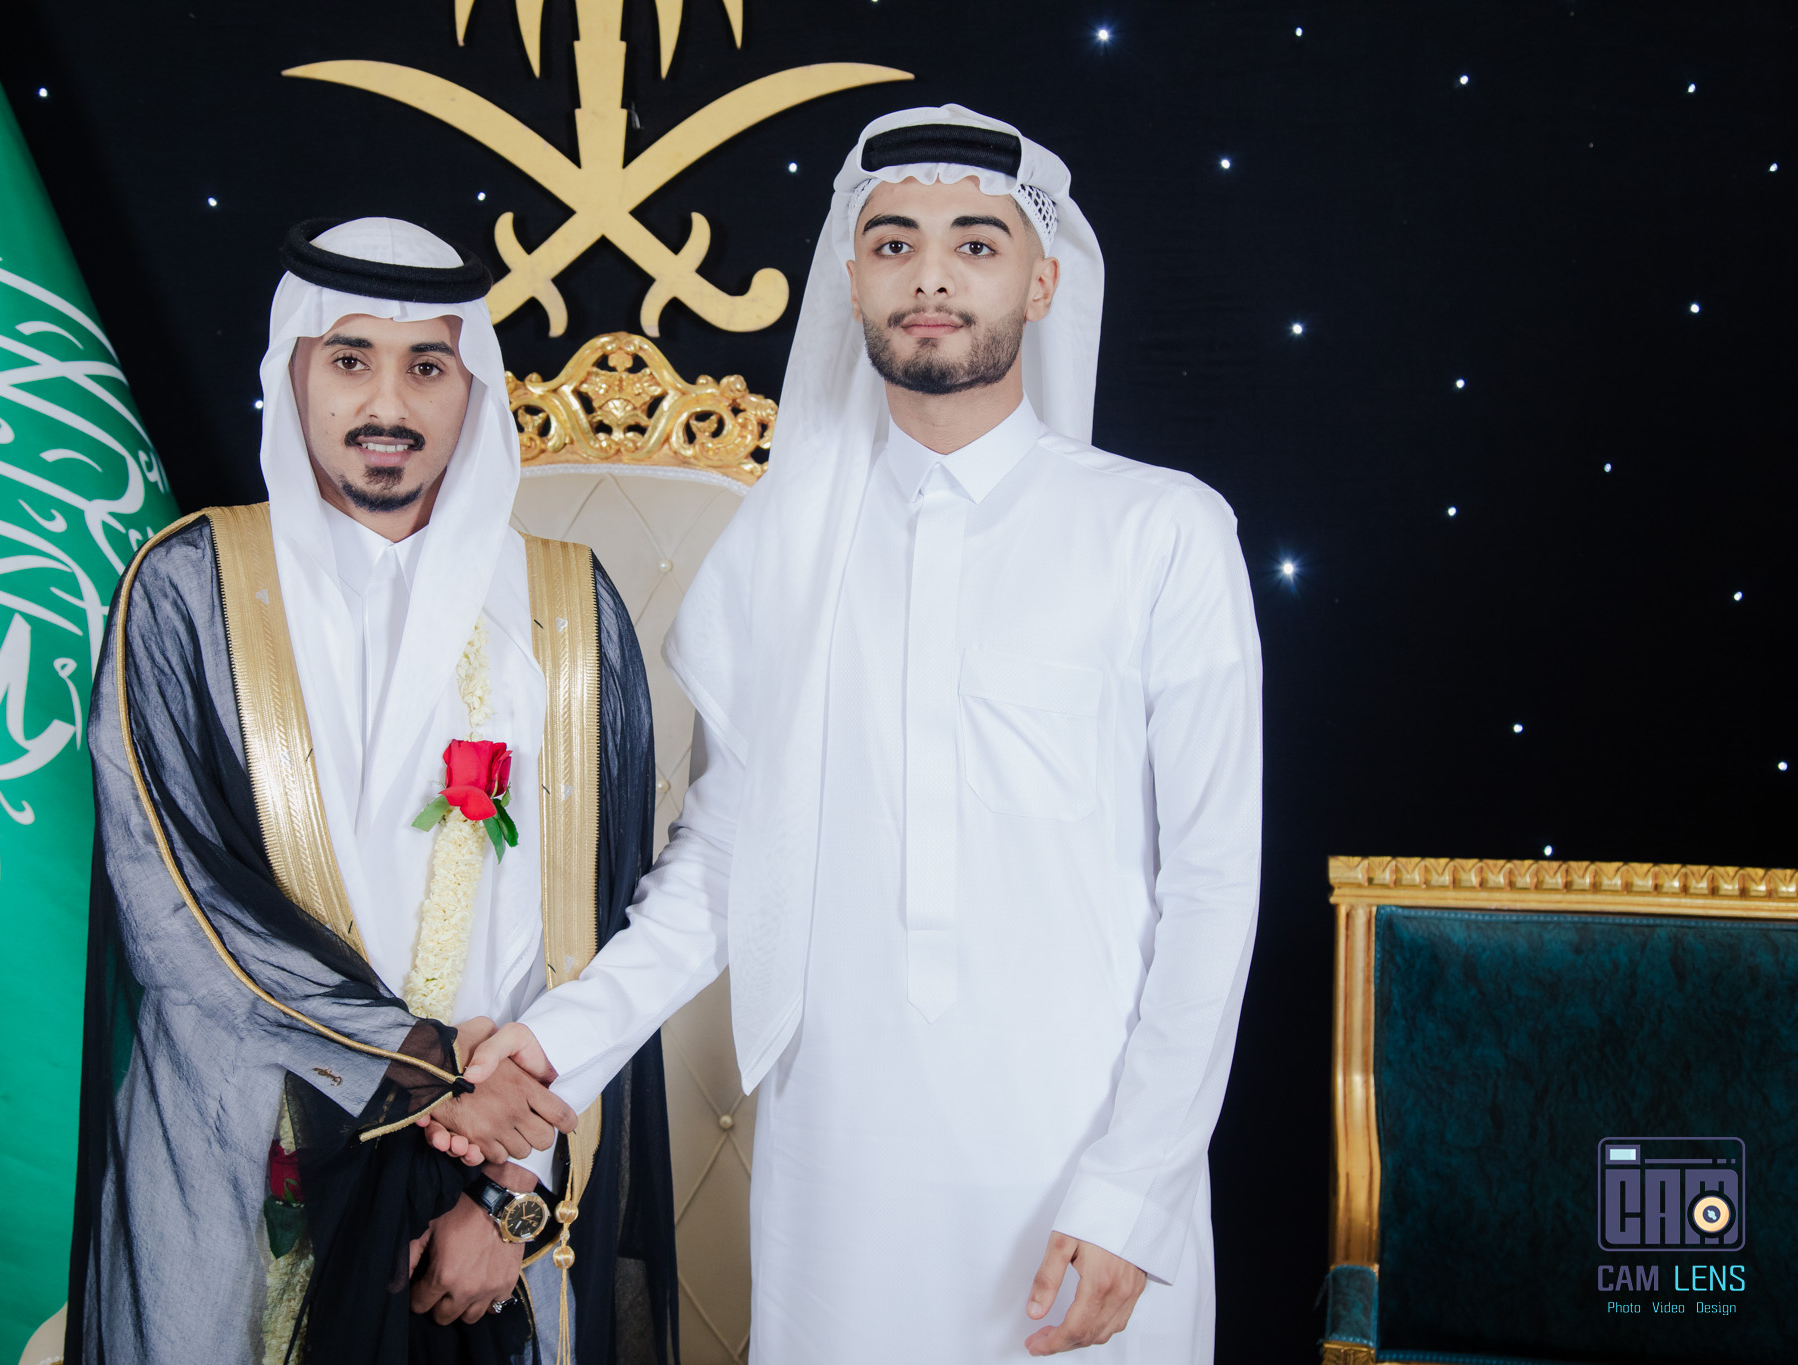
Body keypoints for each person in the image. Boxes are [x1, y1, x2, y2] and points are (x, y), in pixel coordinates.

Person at [462, 106, 1263, 1362]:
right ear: (852, 278)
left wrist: (1135, 1187)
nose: (930, 275)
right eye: (893, 243)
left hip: (1077, 1168)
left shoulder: (1160, 533)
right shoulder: (782, 553)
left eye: (974, 244)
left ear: (1041, 283)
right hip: (840, 1169)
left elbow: (1211, 891)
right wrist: (557, 1045)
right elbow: (724, 868)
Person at [66, 217, 677, 1365]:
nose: (386, 402)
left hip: (486, 1191)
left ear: (472, 384)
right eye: (349, 359)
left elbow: (588, 935)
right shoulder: (188, 590)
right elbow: (177, 914)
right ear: (294, 368)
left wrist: (512, 1193)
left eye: (426, 366)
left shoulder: (563, 607)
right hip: (244, 1168)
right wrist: (429, 1069)